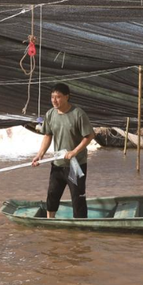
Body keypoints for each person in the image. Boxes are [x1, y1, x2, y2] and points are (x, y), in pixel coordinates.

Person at [32, 83, 94, 219]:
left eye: (58, 97)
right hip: (58, 164)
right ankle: (50, 221)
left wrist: (74, 152)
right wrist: (40, 154)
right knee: (52, 195)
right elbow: (48, 135)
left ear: (67, 97)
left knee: (78, 199)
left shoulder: (78, 114)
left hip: (75, 165)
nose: (54, 100)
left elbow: (89, 136)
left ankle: (80, 229)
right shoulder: (50, 114)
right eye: (52, 97)